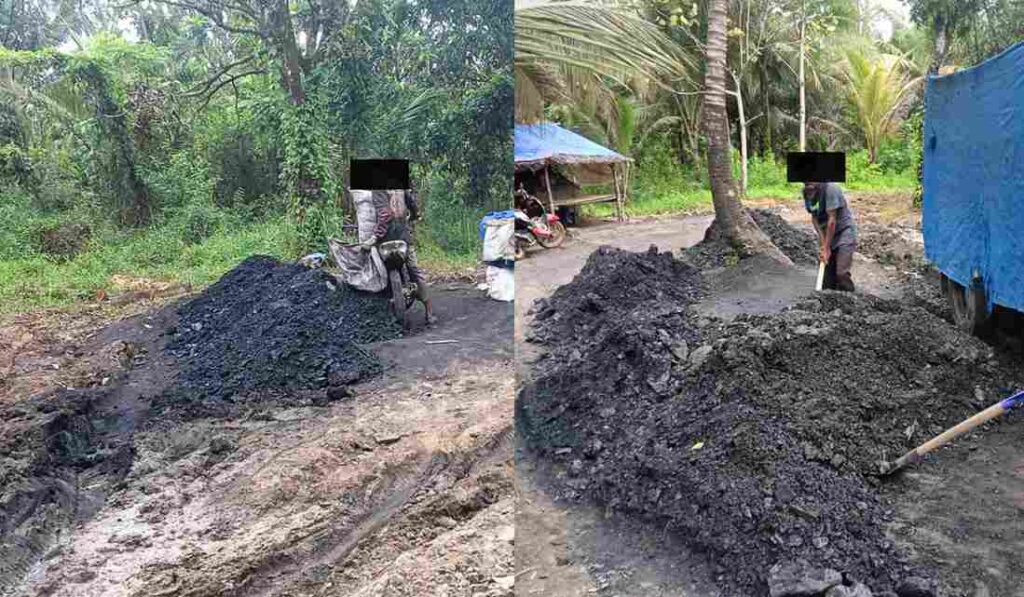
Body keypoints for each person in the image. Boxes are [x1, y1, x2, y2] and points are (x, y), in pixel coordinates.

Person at [360, 188, 434, 323]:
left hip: (385, 238)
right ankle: (429, 311)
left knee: (376, 267)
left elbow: (384, 214)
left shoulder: (378, 190)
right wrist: (415, 215)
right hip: (404, 238)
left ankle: (380, 305)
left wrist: (375, 236)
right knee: (415, 272)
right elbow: (412, 206)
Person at [803, 181, 858, 292]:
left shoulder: (831, 189)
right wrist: (823, 244)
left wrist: (827, 247)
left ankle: (852, 299)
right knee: (827, 283)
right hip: (827, 235)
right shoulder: (807, 191)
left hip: (844, 232)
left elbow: (832, 220)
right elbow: (814, 217)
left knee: (841, 274)